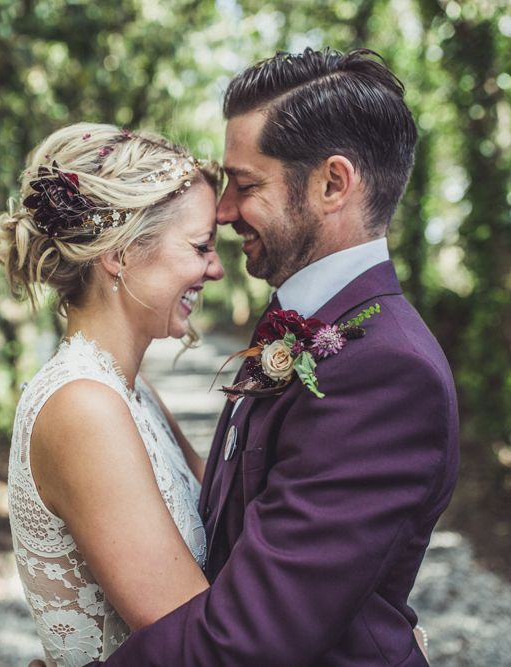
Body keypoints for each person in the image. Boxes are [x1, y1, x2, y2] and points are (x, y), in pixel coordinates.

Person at [80, 47, 459, 666]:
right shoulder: (304, 320)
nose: (223, 211)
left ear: (333, 183)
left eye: (246, 184)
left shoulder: (388, 370)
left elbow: (251, 636)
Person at [0, 123, 225, 667]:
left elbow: (228, 514)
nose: (214, 267)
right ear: (118, 253)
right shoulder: (83, 406)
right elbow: (197, 640)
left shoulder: (131, 390)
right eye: (200, 246)